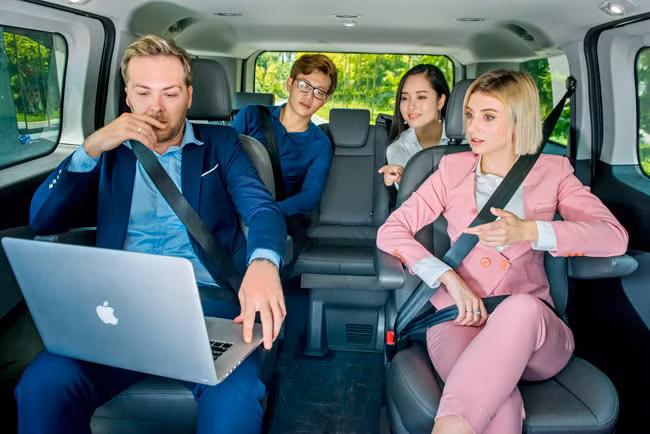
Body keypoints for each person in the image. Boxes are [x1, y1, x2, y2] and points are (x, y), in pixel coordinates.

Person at [15, 35, 287, 434]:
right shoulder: (108, 150)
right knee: (43, 385)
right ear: (128, 96)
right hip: (117, 307)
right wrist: (90, 148)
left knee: (235, 401)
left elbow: (262, 209)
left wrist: (263, 262)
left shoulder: (222, 144)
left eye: (170, 93)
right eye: (143, 93)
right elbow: (42, 220)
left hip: (207, 305)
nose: (155, 107)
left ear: (189, 96)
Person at [376, 70, 628, 434]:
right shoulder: (450, 169)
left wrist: (530, 231)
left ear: (517, 122)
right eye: (470, 115)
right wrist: (447, 277)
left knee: (520, 308)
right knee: (496, 397)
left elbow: (613, 237)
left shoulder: (554, 171)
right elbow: (391, 230)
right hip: (457, 317)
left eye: (488, 116)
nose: (473, 127)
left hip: (535, 333)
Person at [233, 54, 338, 267]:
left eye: (319, 92)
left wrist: (267, 212)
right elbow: (224, 162)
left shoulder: (320, 144)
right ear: (290, 84)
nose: (309, 96)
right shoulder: (251, 115)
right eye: (304, 85)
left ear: (325, 100)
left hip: (282, 215)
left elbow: (309, 197)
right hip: (234, 206)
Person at [379, 64, 451, 189]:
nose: (411, 105)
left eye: (421, 97)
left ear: (440, 101)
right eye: (405, 98)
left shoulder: (469, 139)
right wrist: (404, 178)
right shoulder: (397, 149)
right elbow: (414, 198)